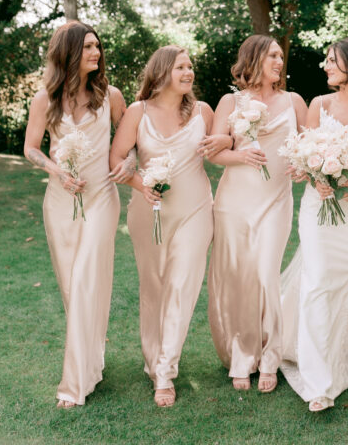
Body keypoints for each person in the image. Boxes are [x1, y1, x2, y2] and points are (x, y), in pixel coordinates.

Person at [109, 45, 230, 407]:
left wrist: (225, 139)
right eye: (180, 67)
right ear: (161, 72)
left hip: (195, 210)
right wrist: (141, 184)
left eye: (190, 66)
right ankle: (153, 360)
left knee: (182, 286)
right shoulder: (138, 112)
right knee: (154, 288)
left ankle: (165, 371)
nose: (188, 72)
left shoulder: (203, 111)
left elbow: (224, 146)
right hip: (149, 212)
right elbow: (116, 158)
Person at [279, 37, 348, 412]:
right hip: (319, 205)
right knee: (316, 282)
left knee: (342, 283)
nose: (325, 66)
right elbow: (304, 154)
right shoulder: (319, 104)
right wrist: (317, 179)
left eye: (331, 60)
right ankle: (319, 382)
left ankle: (337, 357)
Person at [23, 21, 132, 408]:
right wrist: (56, 170)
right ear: (68, 52)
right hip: (60, 202)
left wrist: (130, 161)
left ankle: (73, 384)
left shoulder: (110, 96)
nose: (96, 52)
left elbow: (131, 139)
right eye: (87, 47)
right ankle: (90, 360)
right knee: (74, 288)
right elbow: (31, 148)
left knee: (86, 279)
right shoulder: (45, 99)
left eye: (97, 46)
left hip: (101, 197)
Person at [207, 35, 307, 393]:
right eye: (272, 56)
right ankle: (241, 356)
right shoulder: (230, 101)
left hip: (276, 200)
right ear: (254, 59)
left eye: (280, 56)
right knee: (239, 278)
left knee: (266, 275)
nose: (279, 62)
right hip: (234, 201)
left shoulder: (294, 101)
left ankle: (270, 357)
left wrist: (305, 166)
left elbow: (308, 146)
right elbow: (214, 152)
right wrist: (241, 155)